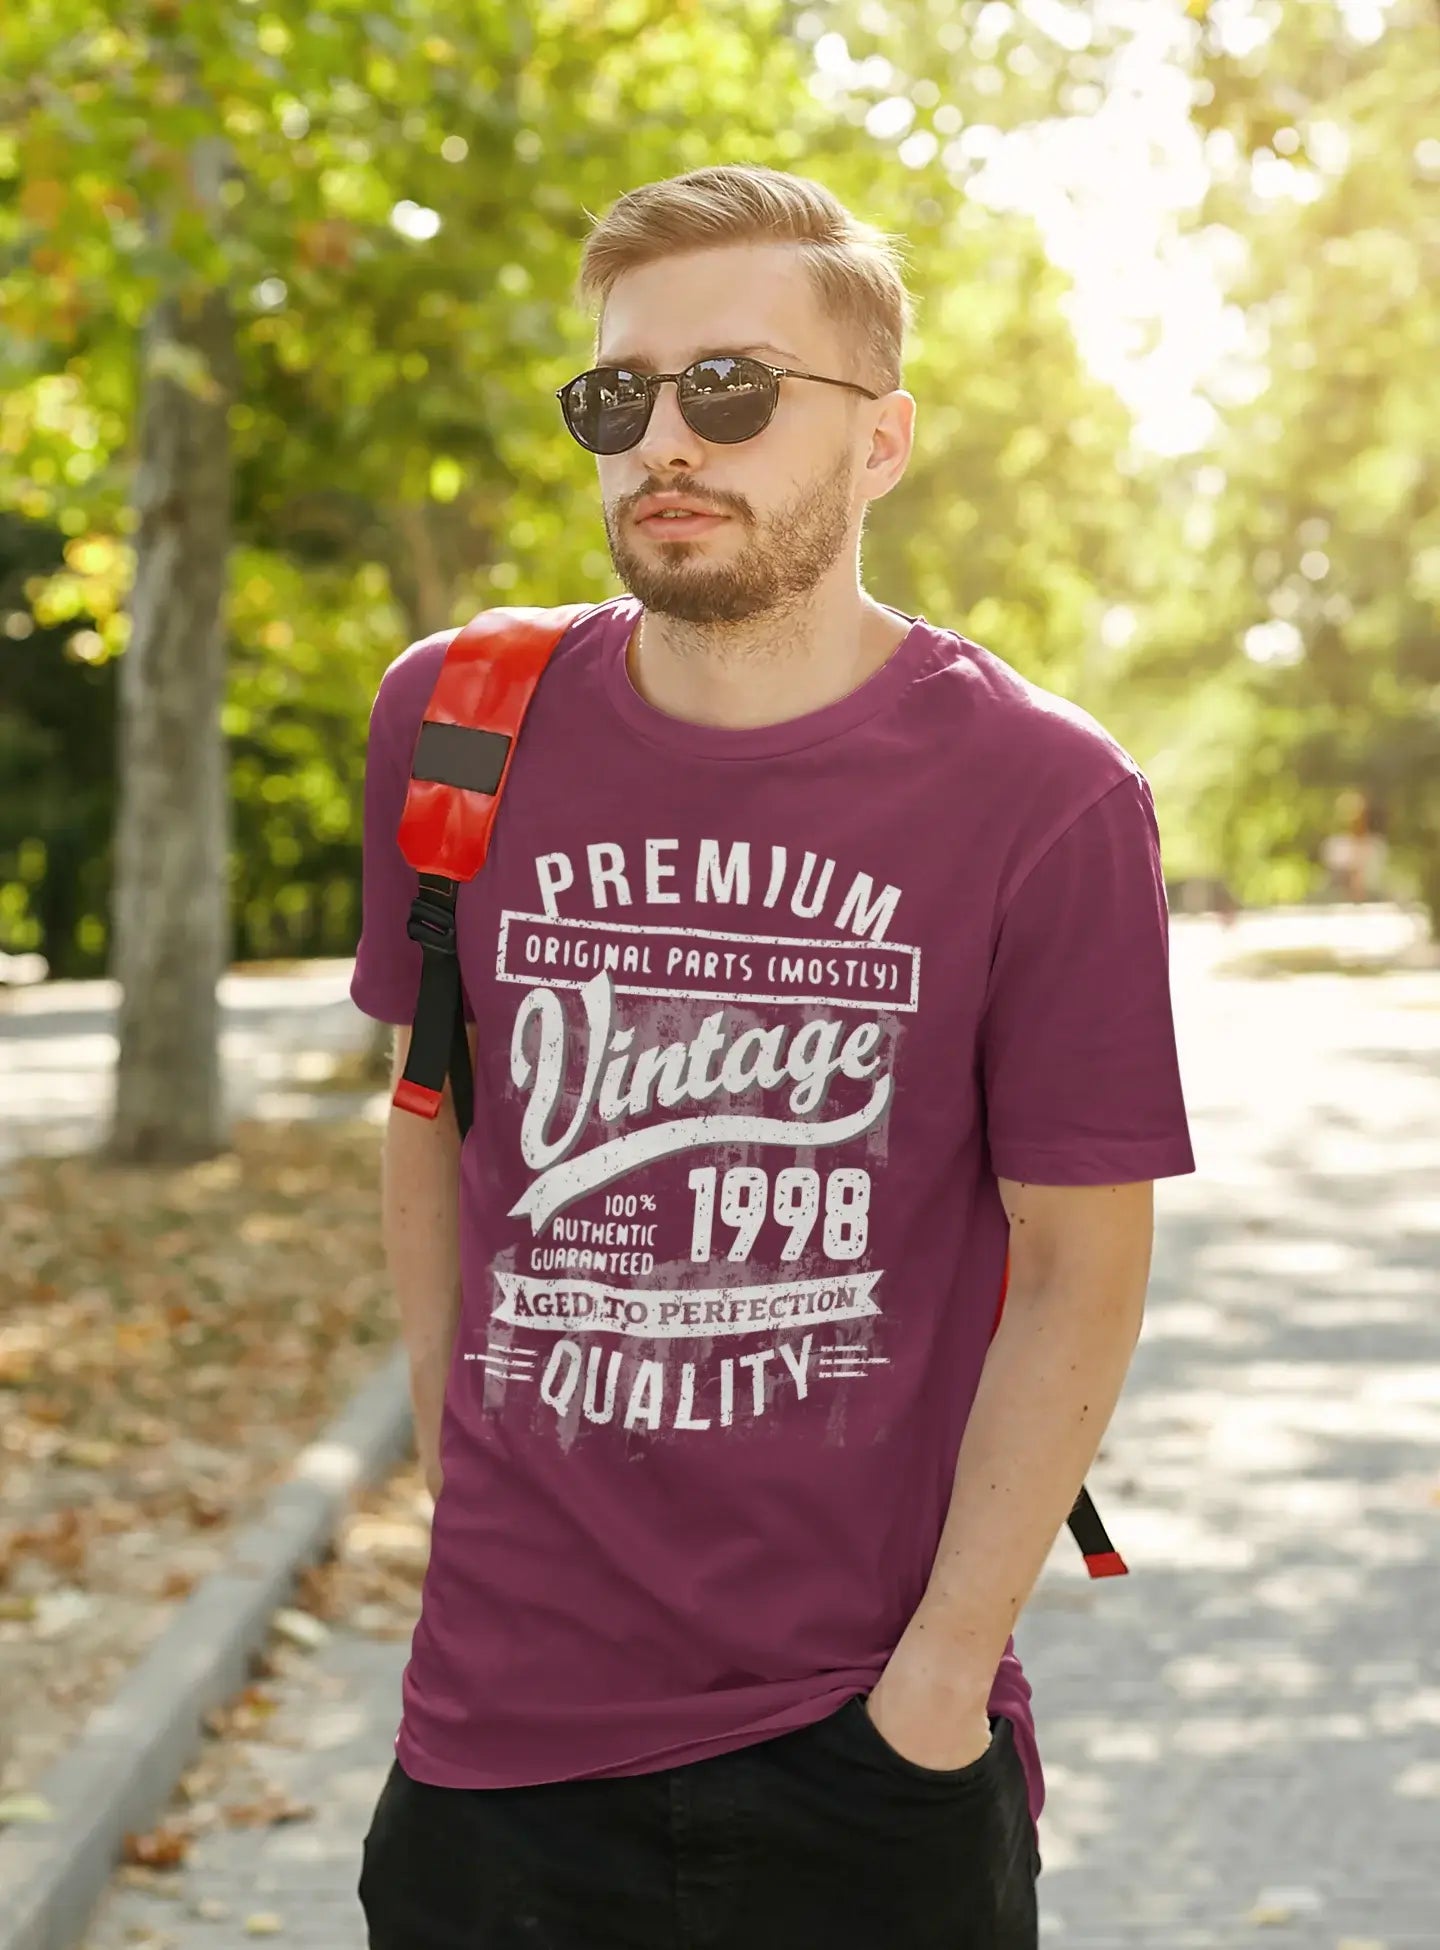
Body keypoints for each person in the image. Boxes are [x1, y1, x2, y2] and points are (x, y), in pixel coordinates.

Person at [351, 163, 1196, 1950]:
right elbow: (430, 1108)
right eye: (618, 397)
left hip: (866, 1742)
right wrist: (454, 1465)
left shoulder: (1044, 795)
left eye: (730, 388)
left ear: (881, 440)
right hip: (498, 1733)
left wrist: (939, 1685)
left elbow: (1081, 1263)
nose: (664, 440)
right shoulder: (457, 719)